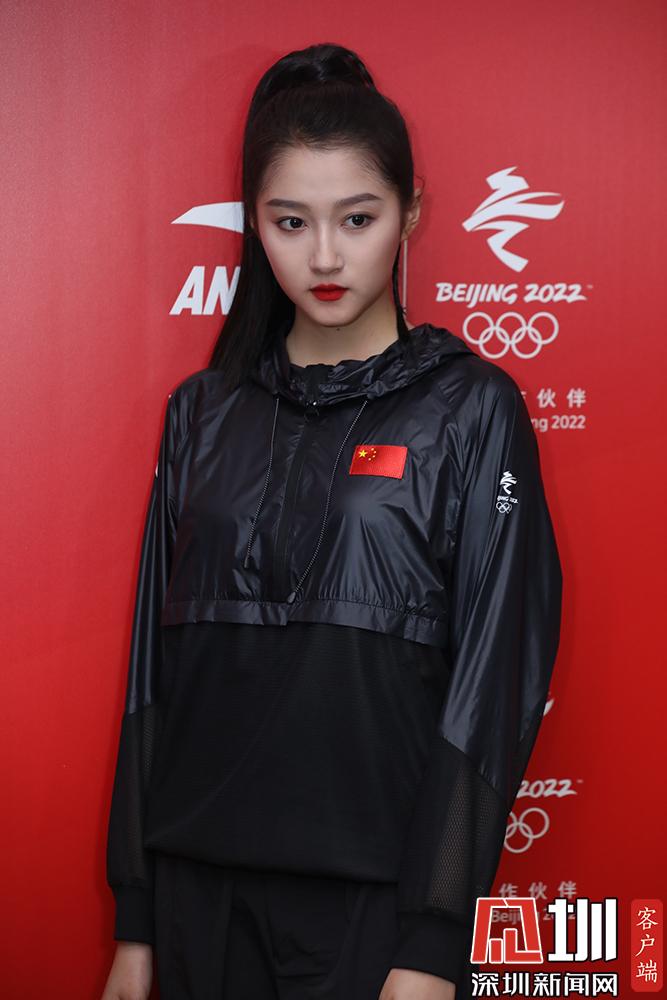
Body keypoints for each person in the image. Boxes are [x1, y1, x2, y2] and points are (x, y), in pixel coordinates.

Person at [101, 42, 562, 1000]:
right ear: (254, 224)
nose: (322, 256)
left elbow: (497, 671)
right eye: (289, 222)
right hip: (196, 894)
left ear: (410, 212)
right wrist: (136, 922)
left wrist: (433, 940)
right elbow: (153, 670)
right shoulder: (201, 412)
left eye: (357, 218)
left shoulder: (472, 408)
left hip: (372, 911)